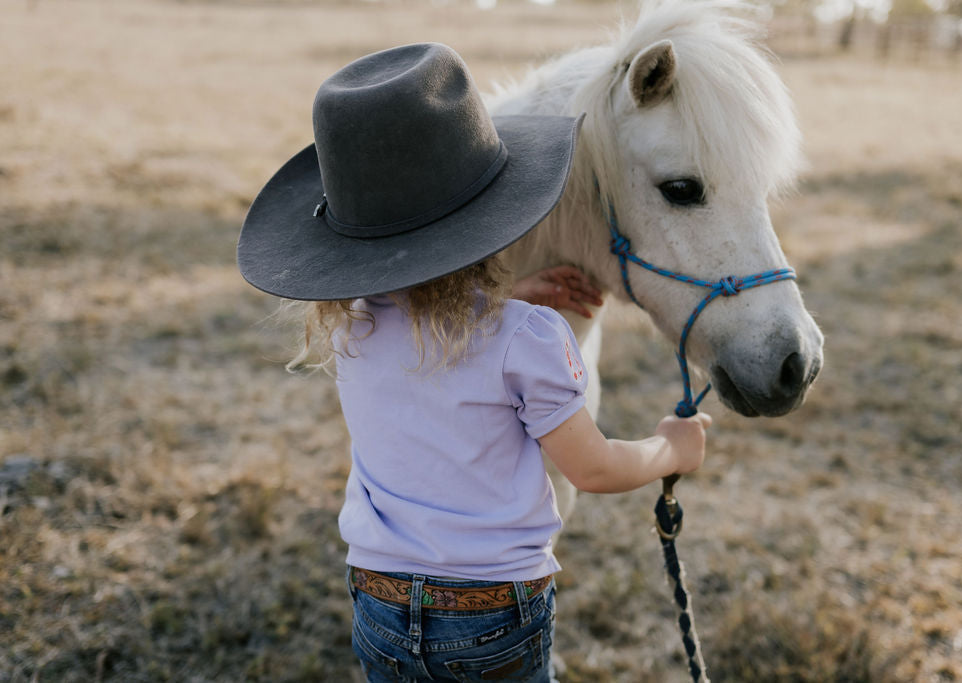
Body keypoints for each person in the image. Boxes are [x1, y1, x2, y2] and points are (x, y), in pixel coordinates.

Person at [237, 43, 711, 683]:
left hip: (377, 603)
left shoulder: (353, 322)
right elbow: (593, 469)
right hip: (490, 618)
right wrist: (670, 450)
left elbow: (425, 334)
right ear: (498, 212)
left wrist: (504, 301)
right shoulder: (527, 337)